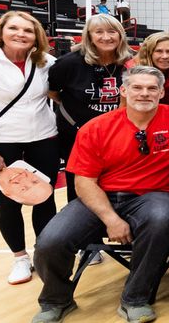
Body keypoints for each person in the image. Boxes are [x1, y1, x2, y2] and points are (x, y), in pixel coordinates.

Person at [29, 66, 169, 323]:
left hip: (155, 195)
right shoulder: (96, 128)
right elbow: (84, 181)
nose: (143, 93)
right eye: (137, 87)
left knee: (159, 220)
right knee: (50, 241)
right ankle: (56, 300)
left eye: (151, 89)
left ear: (161, 93)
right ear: (123, 91)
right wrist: (111, 218)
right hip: (100, 197)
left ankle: (135, 299)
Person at [0, 11, 59, 285]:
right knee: (8, 203)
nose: (21, 34)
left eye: (28, 30)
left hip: (44, 138)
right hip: (2, 142)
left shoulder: (46, 62)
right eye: (14, 28)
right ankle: (20, 258)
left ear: (37, 37)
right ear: (1, 31)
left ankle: (46, 255)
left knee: (45, 198)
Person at [49, 13, 134, 202]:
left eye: (112, 31)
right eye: (99, 32)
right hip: (77, 134)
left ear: (120, 35)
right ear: (89, 36)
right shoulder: (69, 63)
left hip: (116, 134)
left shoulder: (131, 61)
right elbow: (52, 92)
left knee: (116, 180)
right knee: (79, 184)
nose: (106, 37)